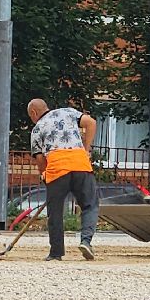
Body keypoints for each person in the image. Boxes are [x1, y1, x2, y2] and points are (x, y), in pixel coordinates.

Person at [27, 98, 99, 261]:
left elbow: (39, 159)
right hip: (80, 164)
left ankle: (56, 253)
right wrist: (86, 150)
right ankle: (86, 241)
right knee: (89, 205)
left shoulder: (37, 129)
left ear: (33, 113)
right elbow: (91, 123)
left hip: (57, 168)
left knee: (55, 212)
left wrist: (44, 174)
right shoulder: (68, 112)